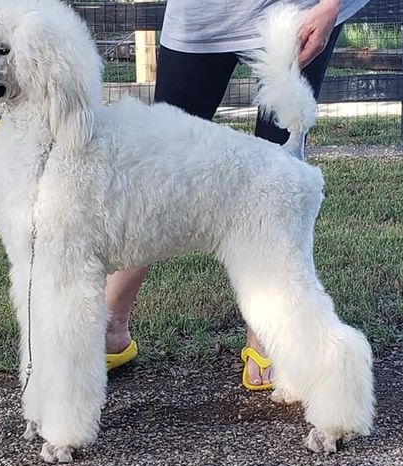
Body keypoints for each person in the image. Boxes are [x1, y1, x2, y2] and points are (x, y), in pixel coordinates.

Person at [105, 0, 370, 389]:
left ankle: (269, 335)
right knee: (155, 177)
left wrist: (331, 5)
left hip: (296, 9)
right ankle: (111, 325)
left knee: (277, 177)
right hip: (202, 13)